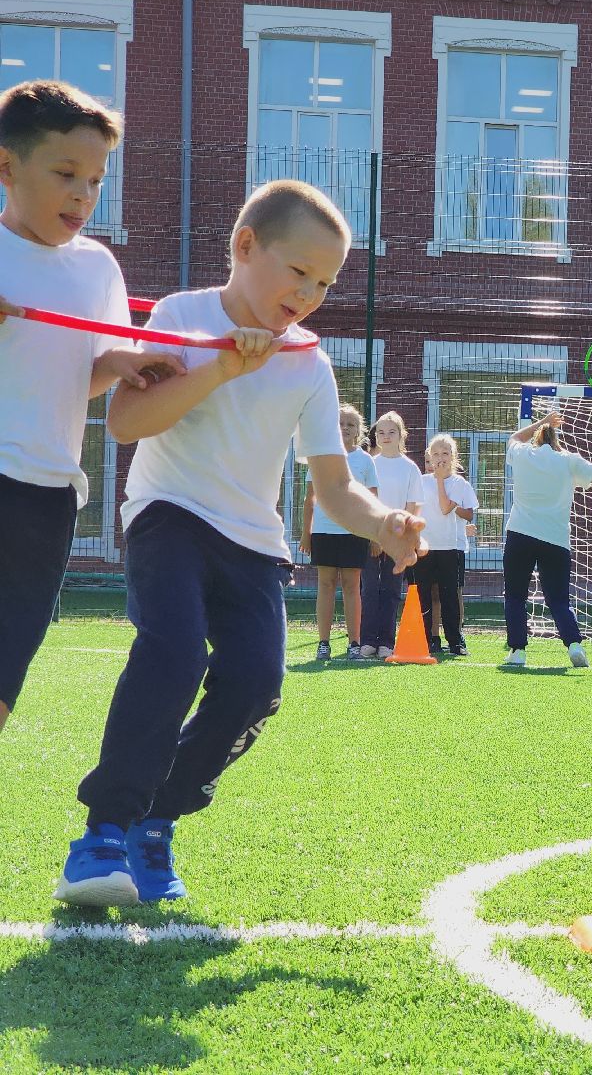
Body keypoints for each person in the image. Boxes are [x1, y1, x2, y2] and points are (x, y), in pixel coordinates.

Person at [55, 180, 425, 906]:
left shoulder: (310, 364)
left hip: (253, 543)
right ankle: (103, 834)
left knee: (257, 684)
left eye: (326, 283)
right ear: (246, 247)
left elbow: (335, 486)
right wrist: (223, 366)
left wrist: (383, 521)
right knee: (173, 653)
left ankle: (156, 821)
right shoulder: (180, 315)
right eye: (300, 272)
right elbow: (126, 423)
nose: (310, 294)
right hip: (168, 515)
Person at [0, 80, 183, 735]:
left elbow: (79, 378)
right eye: (66, 174)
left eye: (97, 180)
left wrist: (121, 365)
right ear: (7, 167)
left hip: (48, 497)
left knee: (5, 677)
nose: (83, 194)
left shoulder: (98, 268)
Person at [503, 409, 592, 668]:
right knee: (558, 598)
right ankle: (574, 645)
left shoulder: (523, 453)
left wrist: (543, 421)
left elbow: (514, 437)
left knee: (515, 595)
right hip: (555, 539)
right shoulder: (568, 460)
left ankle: (517, 651)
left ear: (537, 439)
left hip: (520, 534)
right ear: (556, 441)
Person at [301, 403, 377, 661]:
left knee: (351, 585)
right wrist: (306, 533)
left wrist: (374, 535)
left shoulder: (365, 460)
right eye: (340, 423)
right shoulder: (320, 456)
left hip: (355, 533)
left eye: (350, 424)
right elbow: (310, 499)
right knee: (325, 584)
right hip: (323, 531)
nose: (345, 428)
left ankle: (354, 644)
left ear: (359, 430)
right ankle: (323, 643)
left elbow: (373, 501)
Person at [359, 410, 422, 658]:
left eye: (391, 432)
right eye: (381, 432)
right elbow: (365, 504)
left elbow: (412, 506)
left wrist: (400, 539)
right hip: (372, 537)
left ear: (401, 435)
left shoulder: (410, 468)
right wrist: (375, 537)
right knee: (369, 589)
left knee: (392, 590)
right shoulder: (369, 464)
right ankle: (367, 641)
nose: (386, 436)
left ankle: (386, 641)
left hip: (398, 541)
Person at [415, 433, 477, 656]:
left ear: (453, 456)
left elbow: (445, 508)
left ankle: (455, 641)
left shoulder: (459, 483)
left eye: (445, 453)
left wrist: (440, 479)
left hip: (449, 548)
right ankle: (426, 640)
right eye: (435, 454)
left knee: (449, 596)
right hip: (425, 548)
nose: (440, 458)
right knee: (424, 596)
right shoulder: (421, 481)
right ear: (429, 457)